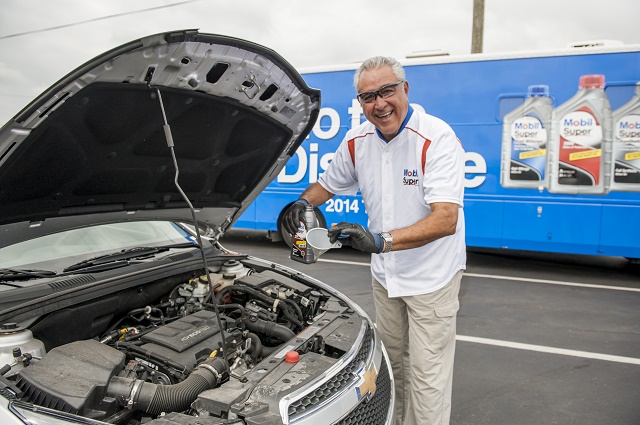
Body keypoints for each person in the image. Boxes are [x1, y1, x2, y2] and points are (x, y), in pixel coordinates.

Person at [283, 56, 466, 425]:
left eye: (387, 91)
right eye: (368, 97)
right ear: (360, 102)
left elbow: (446, 219)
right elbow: (325, 186)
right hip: (386, 278)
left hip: (432, 279)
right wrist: (302, 204)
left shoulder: (437, 138)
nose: (379, 104)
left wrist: (381, 241)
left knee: (427, 380)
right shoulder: (357, 141)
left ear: (405, 89)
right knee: (391, 369)